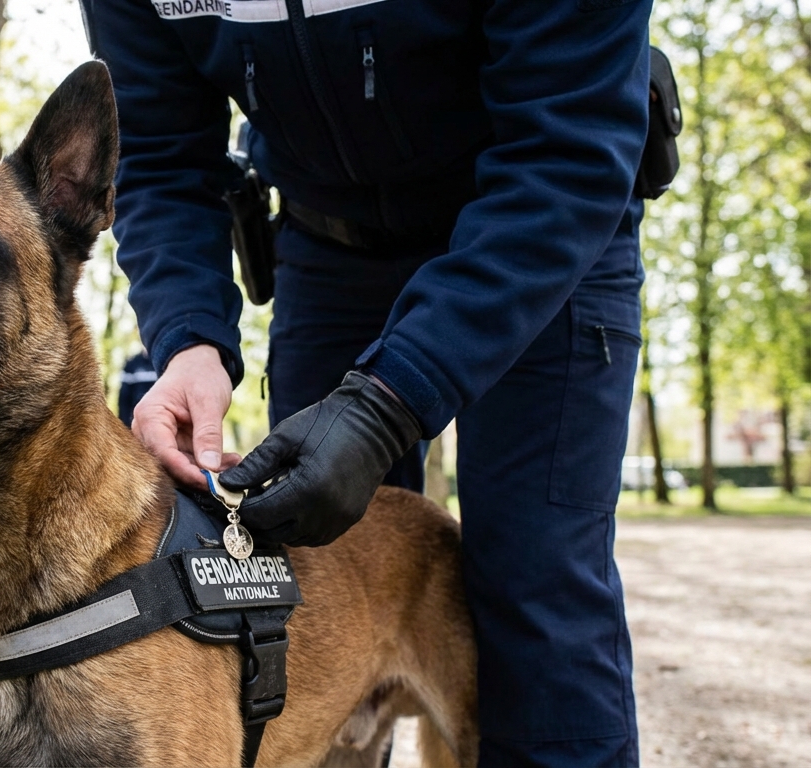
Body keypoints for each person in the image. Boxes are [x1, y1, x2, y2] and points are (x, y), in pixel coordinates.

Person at [79, 0, 651, 765]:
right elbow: (157, 150)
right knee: (319, 594)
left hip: (540, 226)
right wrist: (188, 340)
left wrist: (387, 404)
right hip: (327, 243)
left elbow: (570, 142)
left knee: (537, 588)